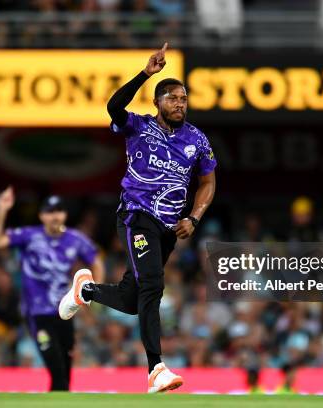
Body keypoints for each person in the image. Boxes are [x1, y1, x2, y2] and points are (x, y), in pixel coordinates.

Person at [59, 43, 217, 393]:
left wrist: (194, 216)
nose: (180, 104)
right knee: (153, 287)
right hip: (136, 216)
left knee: (133, 300)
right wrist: (145, 74)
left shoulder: (197, 140)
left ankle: (85, 290)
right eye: (173, 98)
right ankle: (155, 369)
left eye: (184, 99)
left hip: (170, 227)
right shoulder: (138, 127)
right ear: (157, 102)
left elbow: (208, 182)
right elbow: (113, 106)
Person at [0, 187, 104, 391]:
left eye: (59, 211)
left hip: (65, 312)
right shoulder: (29, 236)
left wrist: (92, 295)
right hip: (37, 313)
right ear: (41, 215)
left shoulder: (75, 239)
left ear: (65, 215)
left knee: (65, 374)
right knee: (56, 367)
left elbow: (97, 262)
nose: (55, 216)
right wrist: (2, 209)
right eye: (50, 211)